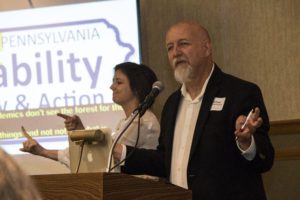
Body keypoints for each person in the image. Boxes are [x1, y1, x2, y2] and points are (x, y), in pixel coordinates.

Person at [113, 21, 274, 200]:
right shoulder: (172, 104)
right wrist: (122, 152)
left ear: (206, 48)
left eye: (183, 44)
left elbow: (265, 158)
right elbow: (165, 160)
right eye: (170, 48)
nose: (176, 52)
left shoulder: (239, 93)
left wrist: (246, 142)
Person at [20, 62, 160, 170]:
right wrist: (80, 132)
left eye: (119, 82)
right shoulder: (127, 121)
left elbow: (103, 155)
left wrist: (44, 151)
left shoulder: (142, 122)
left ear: (137, 88)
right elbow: (97, 153)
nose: (112, 86)